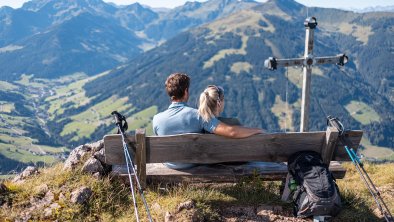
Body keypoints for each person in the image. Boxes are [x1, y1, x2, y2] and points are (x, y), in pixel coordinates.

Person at [152, 73, 263, 169]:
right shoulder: (199, 115)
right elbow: (231, 132)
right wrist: (257, 130)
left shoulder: (157, 119)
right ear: (186, 91)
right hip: (192, 166)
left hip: (170, 167)